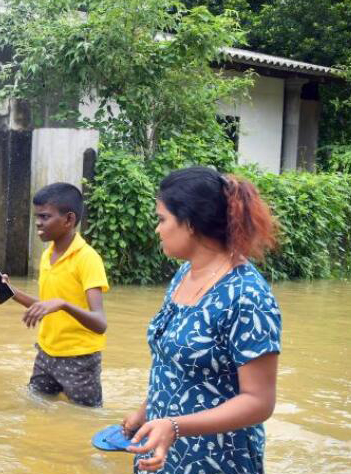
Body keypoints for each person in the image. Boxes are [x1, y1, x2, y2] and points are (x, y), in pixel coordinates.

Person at [122, 166, 281, 473]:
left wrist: (175, 426)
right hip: (162, 449)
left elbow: (259, 402)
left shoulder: (247, 297)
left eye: (162, 219)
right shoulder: (185, 274)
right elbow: (173, 365)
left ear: (190, 223)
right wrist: (146, 412)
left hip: (216, 458)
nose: (157, 229)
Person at [0, 182, 110, 407]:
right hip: (46, 353)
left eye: (45, 217)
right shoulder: (47, 255)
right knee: (35, 407)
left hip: (79, 359)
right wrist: (11, 292)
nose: (38, 223)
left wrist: (63, 304)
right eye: (37, 217)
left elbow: (100, 323)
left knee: (85, 417)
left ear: (69, 220)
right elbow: (46, 305)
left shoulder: (88, 259)